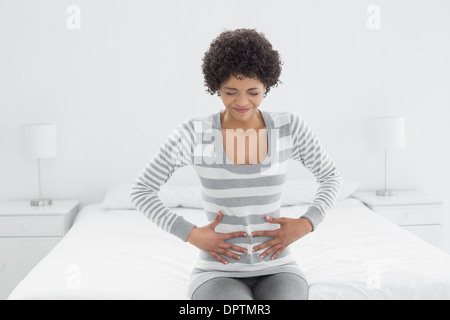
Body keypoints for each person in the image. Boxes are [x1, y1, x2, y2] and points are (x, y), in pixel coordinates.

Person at [130, 28, 342, 300]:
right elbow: (141, 191)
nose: (242, 102)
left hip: (279, 267)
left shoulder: (288, 127)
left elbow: (331, 178)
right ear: (216, 85)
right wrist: (191, 234)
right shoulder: (195, 133)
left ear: (267, 84)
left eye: (253, 92)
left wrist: (307, 222)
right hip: (217, 271)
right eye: (230, 92)